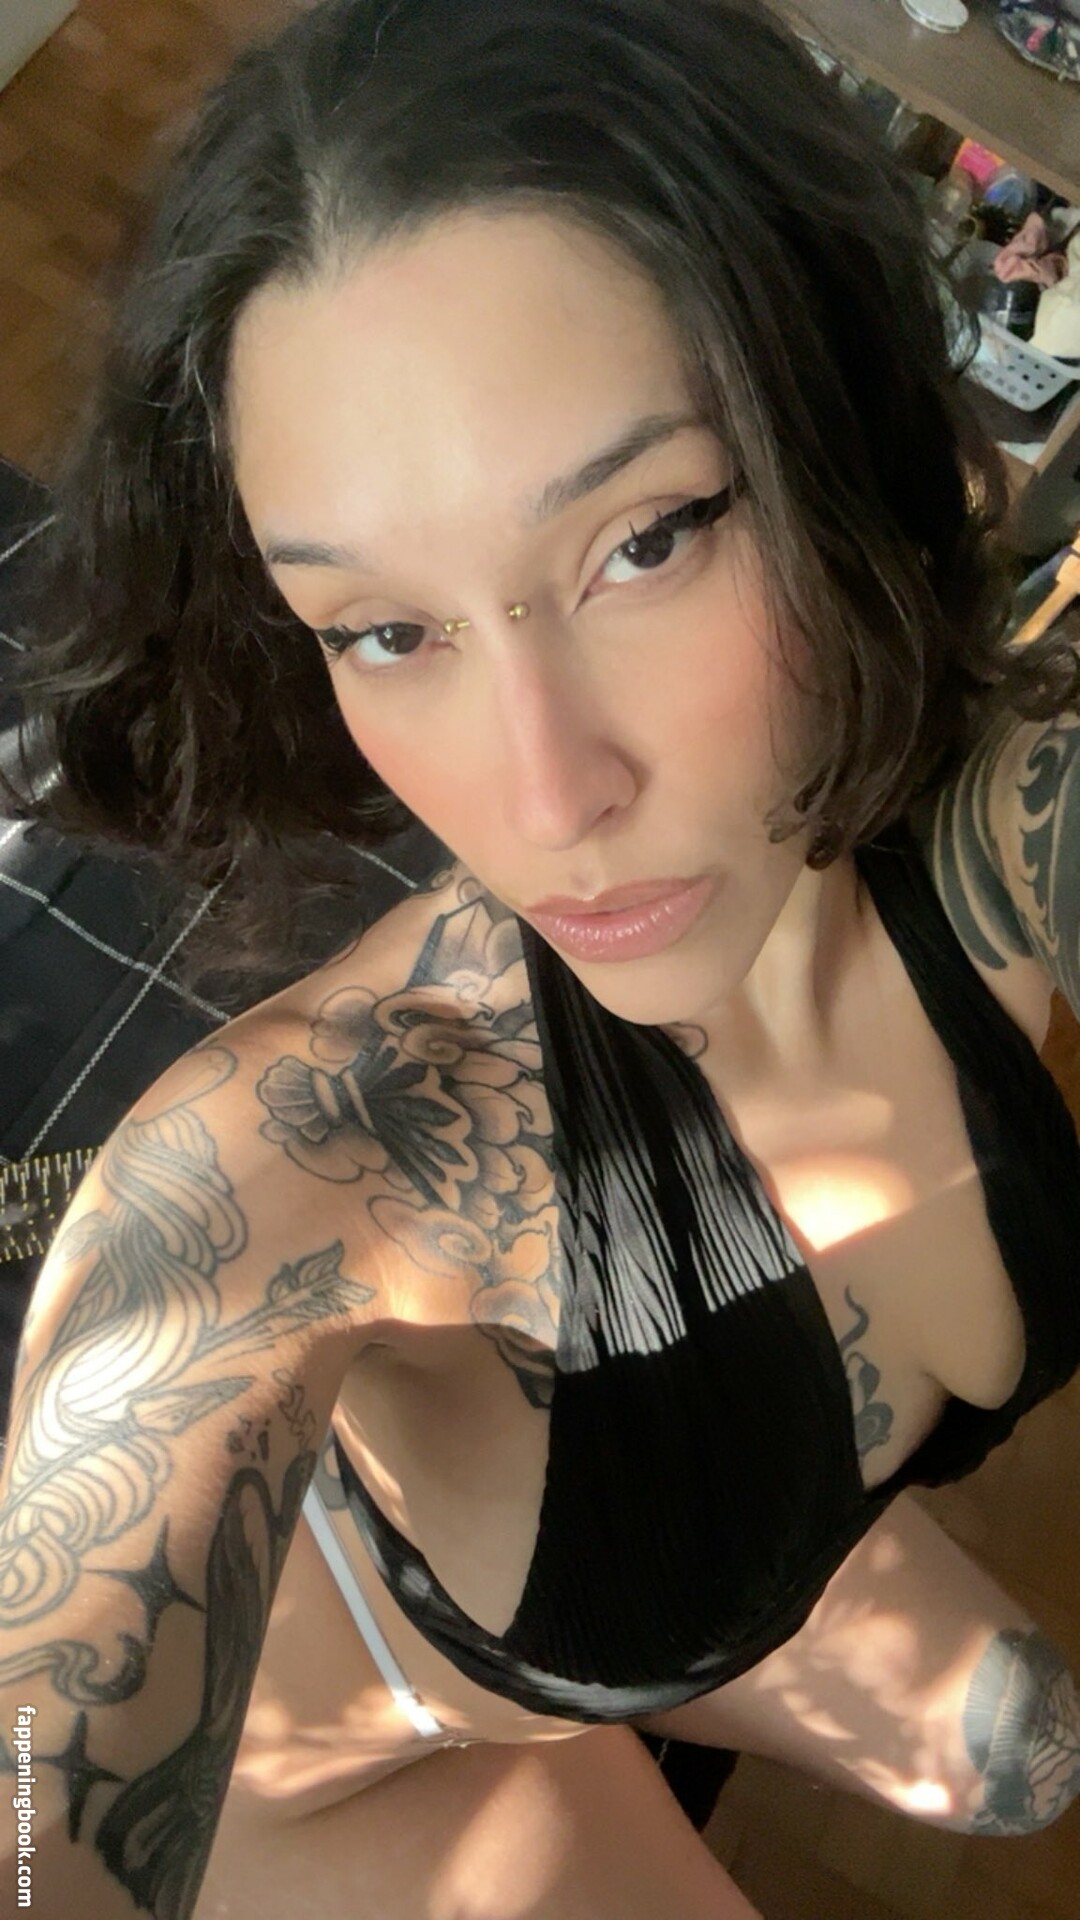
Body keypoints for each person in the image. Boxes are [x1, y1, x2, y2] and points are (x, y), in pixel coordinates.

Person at [2, 0, 1079, 1914]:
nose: (546, 795)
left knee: (1033, 1760)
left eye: (644, 540)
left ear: (834, 424)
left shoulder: (1008, 815)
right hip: (361, 1744)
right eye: (382, 630)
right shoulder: (291, 1180)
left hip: (719, 1541)